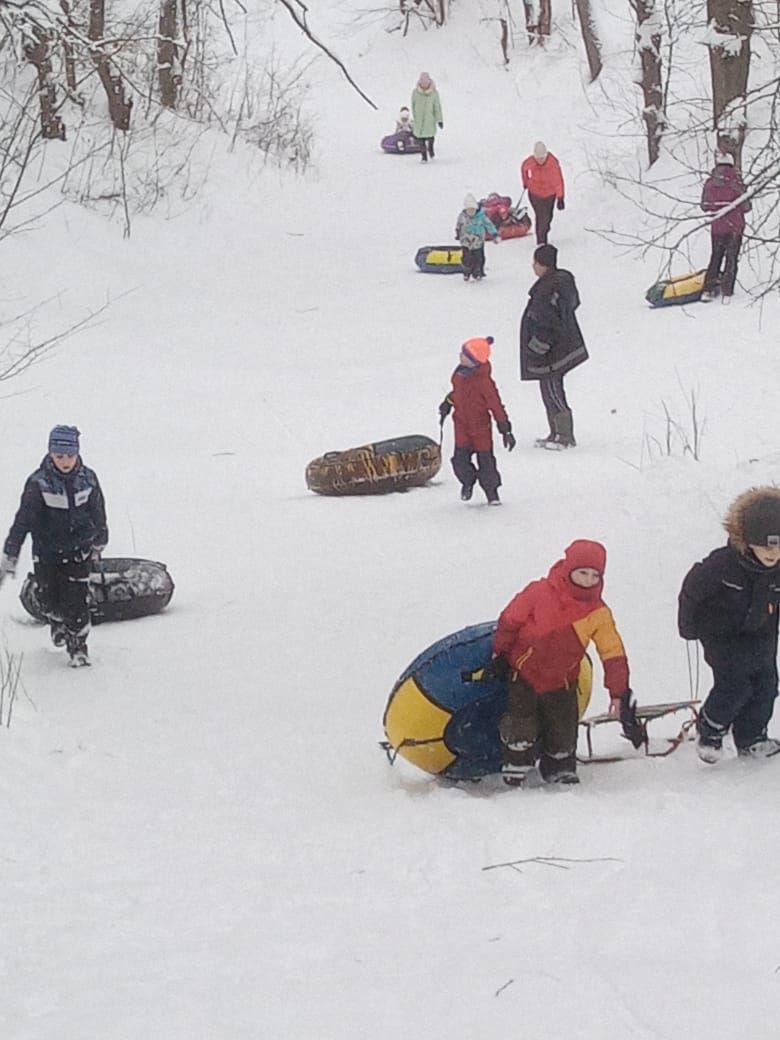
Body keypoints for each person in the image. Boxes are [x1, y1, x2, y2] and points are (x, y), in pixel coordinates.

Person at [489, 540, 636, 786]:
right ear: (569, 570)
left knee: (563, 726)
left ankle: (559, 765)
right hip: (524, 673)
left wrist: (618, 691)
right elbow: (510, 620)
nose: (588, 580)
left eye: (594, 575)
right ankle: (517, 761)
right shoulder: (539, 592)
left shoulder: (598, 612)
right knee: (520, 721)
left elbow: (612, 652)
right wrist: (500, 653)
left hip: (563, 680)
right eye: (582, 573)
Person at [678, 486, 780, 763]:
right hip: (721, 635)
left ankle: (752, 737)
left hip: (761, 633)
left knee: (767, 685)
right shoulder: (722, 565)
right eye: (767, 546)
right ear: (748, 541)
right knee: (736, 684)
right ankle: (710, 730)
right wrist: (687, 627)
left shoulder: (776, 570)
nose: (774, 553)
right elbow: (691, 591)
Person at [0, 425, 108, 667]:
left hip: (79, 551)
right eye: (60, 456)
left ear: (78, 453)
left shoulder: (87, 479)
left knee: (77, 602)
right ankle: (57, 621)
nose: (66, 462)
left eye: (70, 456)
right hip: (47, 554)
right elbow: (23, 521)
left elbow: (98, 510)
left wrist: (100, 538)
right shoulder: (39, 483)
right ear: (50, 454)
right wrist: (11, 553)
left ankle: (77, 646)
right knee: (47, 599)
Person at [519, 244, 587, 449]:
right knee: (548, 388)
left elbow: (548, 324)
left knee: (552, 388)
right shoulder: (558, 284)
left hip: (551, 352)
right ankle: (555, 432)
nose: (533, 266)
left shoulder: (547, 289)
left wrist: (537, 347)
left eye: (536, 263)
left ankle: (565, 436)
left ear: (544, 265)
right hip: (561, 348)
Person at [438, 336, 515, 506]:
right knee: (459, 462)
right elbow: (457, 393)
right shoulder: (459, 374)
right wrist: (448, 402)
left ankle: (492, 493)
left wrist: (505, 429)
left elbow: (496, 406)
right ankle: (468, 481)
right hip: (461, 426)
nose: (460, 356)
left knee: (486, 462)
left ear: (474, 361)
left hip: (480, 428)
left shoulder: (485, 383)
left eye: (464, 355)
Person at [700, 150, 750, 303]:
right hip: (735, 226)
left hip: (717, 227)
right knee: (731, 258)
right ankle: (727, 290)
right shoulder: (737, 181)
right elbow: (746, 206)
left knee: (715, 256)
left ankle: (708, 289)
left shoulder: (710, 183)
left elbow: (704, 206)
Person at [520, 141, 565, 245]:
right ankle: (541, 241)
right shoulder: (530, 162)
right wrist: (525, 182)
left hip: (550, 194)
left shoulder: (553, 164)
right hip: (534, 193)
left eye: (542, 158)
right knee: (541, 216)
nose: (540, 160)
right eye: (538, 158)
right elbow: (523, 168)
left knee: (548, 217)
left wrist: (560, 197)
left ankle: (544, 231)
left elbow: (558, 181)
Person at [454, 193, 500, 282]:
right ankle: (467, 272)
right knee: (466, 258)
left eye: (472, 210)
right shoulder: (462, 216)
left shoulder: (481, 217)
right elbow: (459, 224)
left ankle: (478, 272)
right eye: (469, 210)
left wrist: (494, 234)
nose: (471, 212)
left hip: (478, 241)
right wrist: (458, 232)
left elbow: (489, 225)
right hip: (466, 241)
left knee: (479, 257)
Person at [411, 72, 443, 164]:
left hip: (430, 120)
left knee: (430, 137)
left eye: (426, 83)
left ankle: (431, 149)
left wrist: (439, 120)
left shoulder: (434, 93)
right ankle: (424, 156)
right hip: (419, 120)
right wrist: (415, 116)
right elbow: (413, 105)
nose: (424, 84)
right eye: (422, 82)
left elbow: (437, 107)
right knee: (420, 139)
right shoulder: (415, 93)